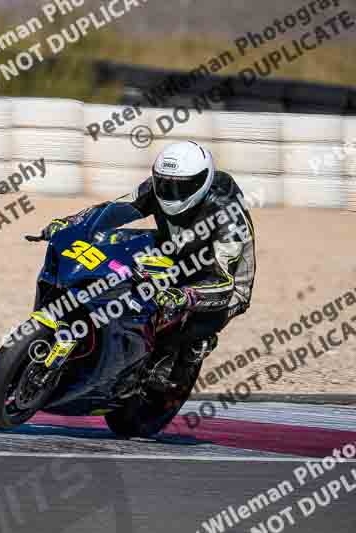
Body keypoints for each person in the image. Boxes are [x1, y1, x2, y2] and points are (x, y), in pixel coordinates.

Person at [41, 140, 256, 392]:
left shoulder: (227, 218)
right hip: (175, 249)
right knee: (115, 246)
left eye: (180, 187)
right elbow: (113, 210)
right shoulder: (156, 189)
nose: (170, 193)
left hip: (220, 283)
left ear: (202, 183)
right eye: (165, 184)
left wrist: (184, 294)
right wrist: (71, 223)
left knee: (184, 320)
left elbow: (224, 282)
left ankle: (185, 355)